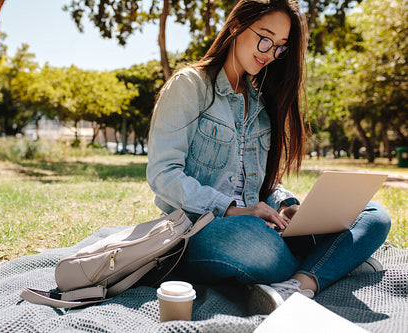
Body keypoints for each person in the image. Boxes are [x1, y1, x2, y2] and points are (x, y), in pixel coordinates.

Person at [146, 0, 391, 315]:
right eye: (265, 37)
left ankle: (301, 282)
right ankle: (334, 262)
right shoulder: (190, 85)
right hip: (198, 231)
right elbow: (163, 175)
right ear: (236, 26)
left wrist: (288, 206)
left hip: (262, 229)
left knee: (373, 215)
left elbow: (263, 184)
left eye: (279, 46)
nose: (268, 51)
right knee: (256, 241)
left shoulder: (260, 105)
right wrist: (234, 210)